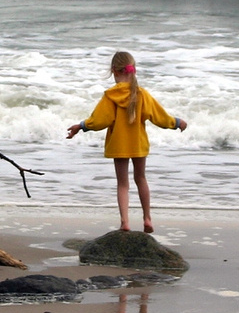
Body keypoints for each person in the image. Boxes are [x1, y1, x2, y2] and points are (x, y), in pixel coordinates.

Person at [66, 51, 187, 233]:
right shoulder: (142, 94)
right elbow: (159, 117)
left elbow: (100, 120)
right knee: (141, 178)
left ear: (114, 71)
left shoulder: (110, 96)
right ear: (134, 70)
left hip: (118, 144)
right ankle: (147, 218)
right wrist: (176, 122)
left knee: (123, 183)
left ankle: (125, 222)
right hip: (138, 144)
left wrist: (81, 126)